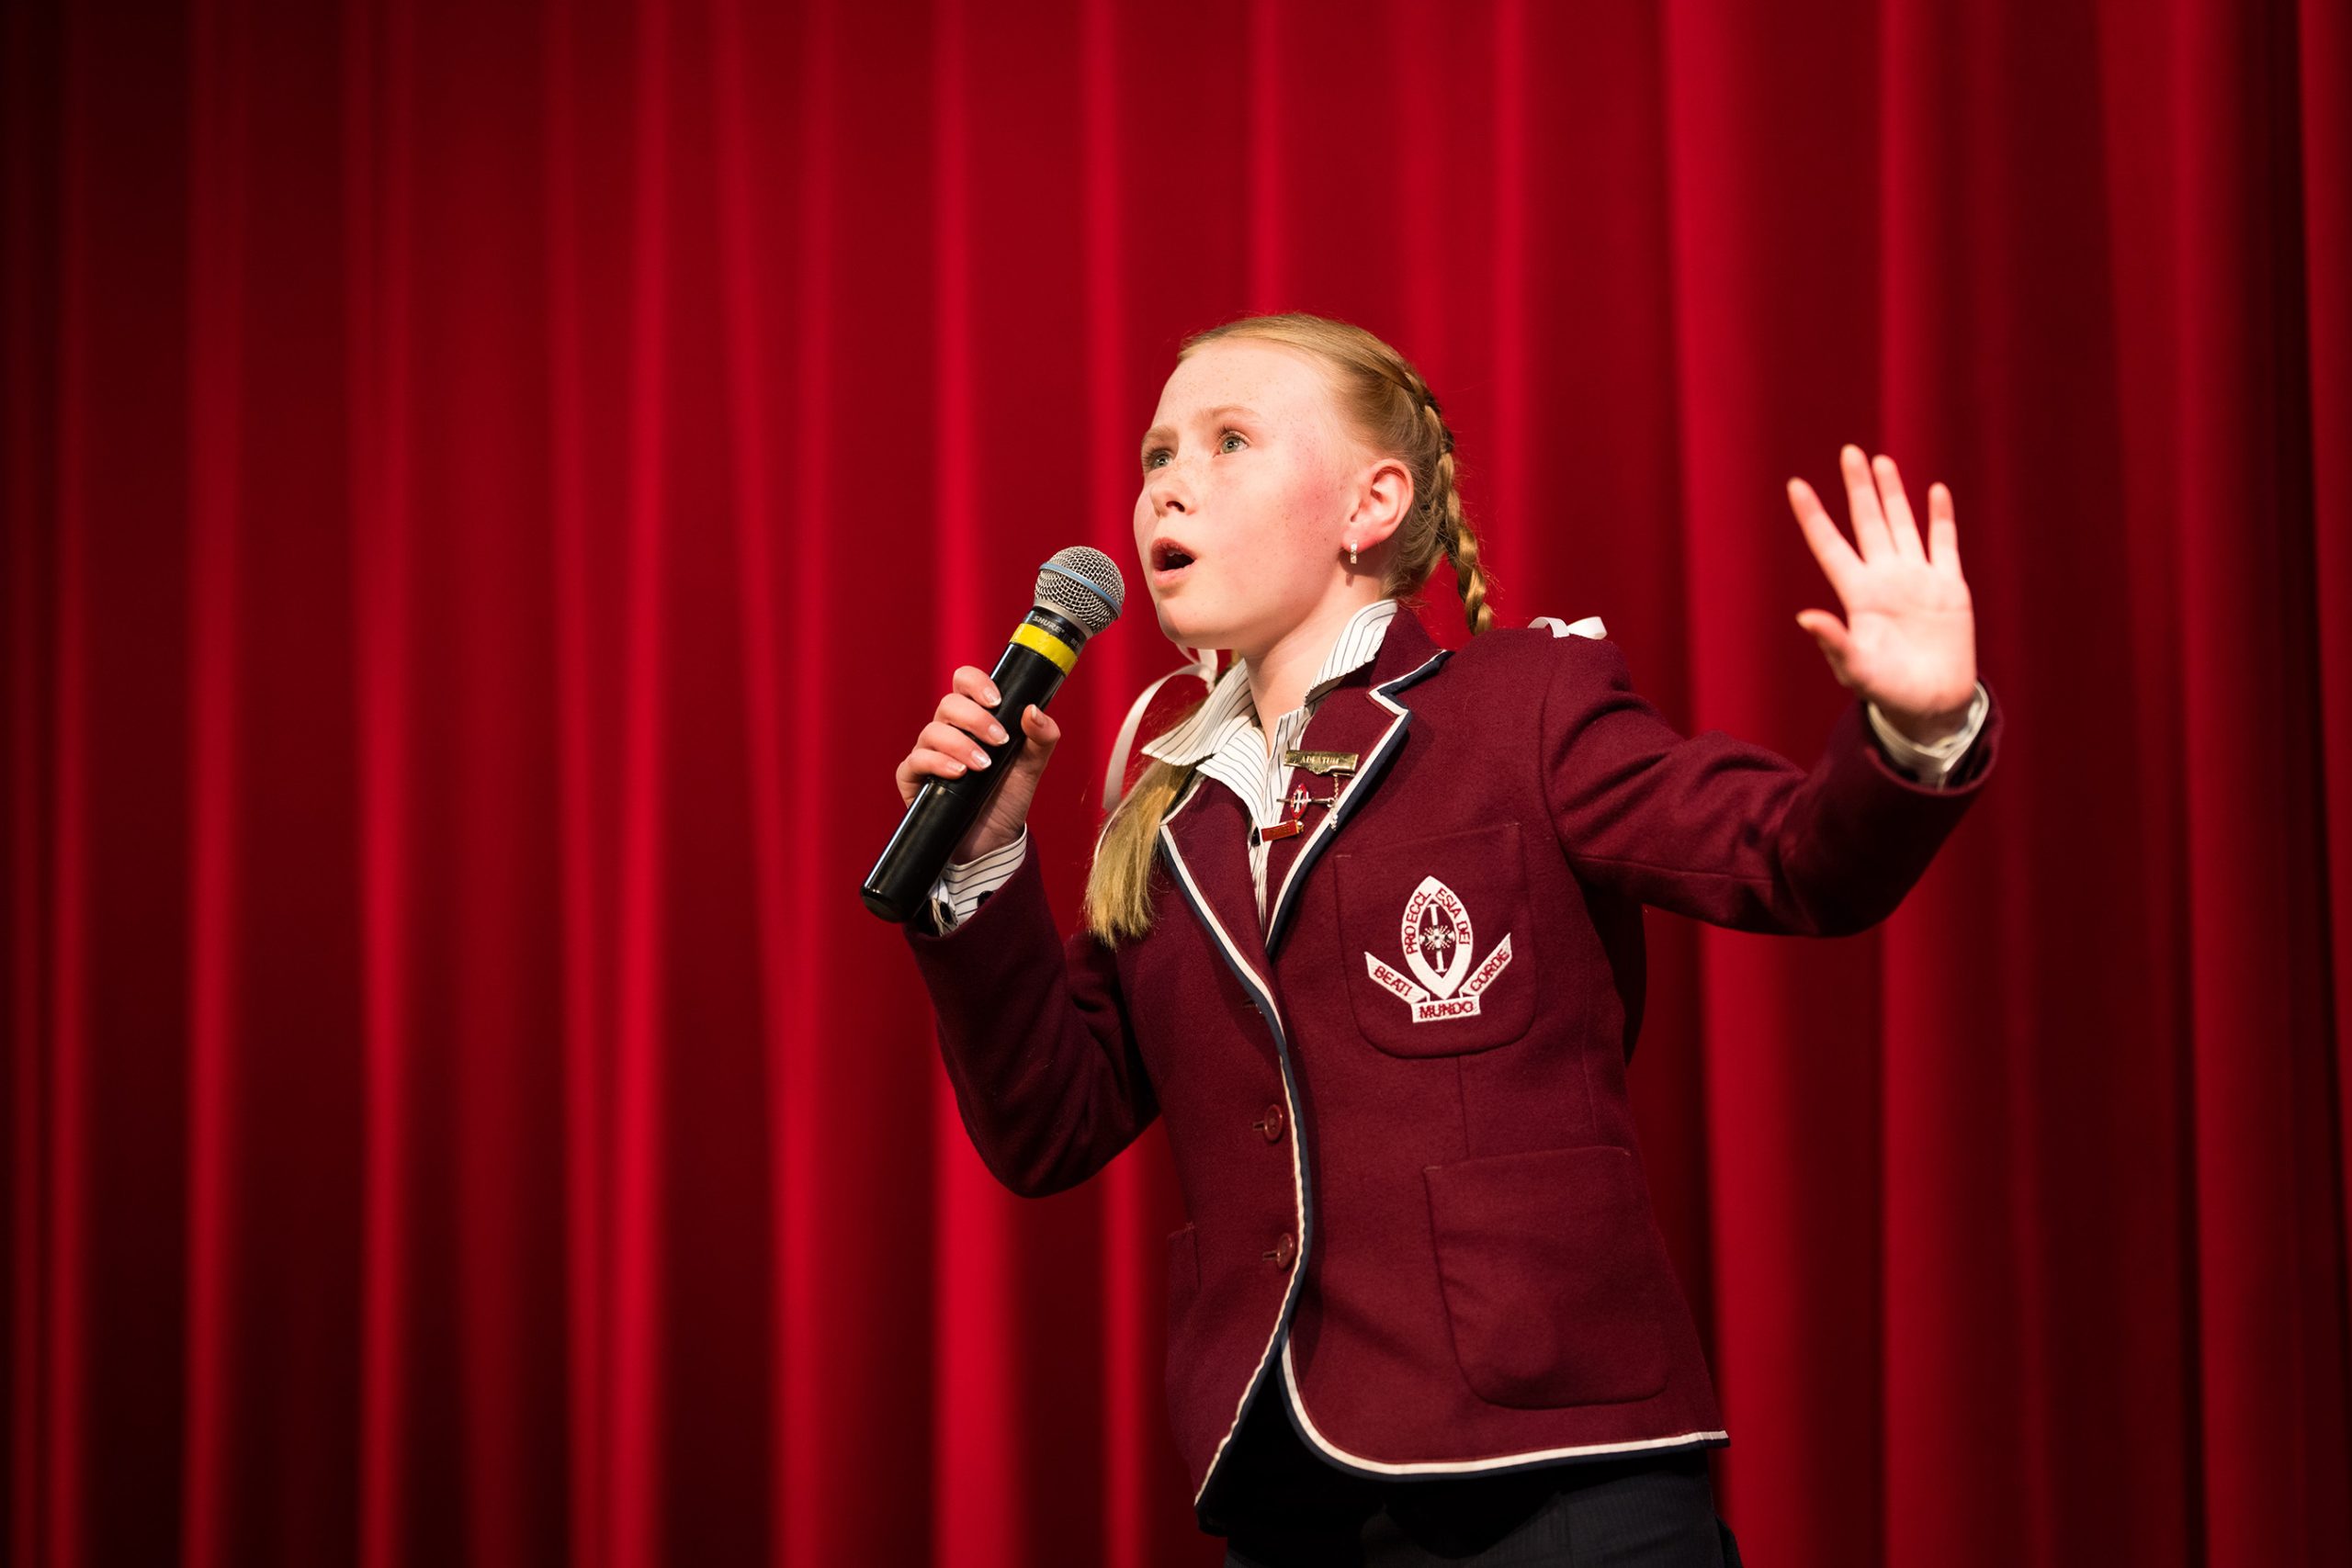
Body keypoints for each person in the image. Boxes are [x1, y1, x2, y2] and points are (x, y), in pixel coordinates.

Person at [890, 312, 2000, 1565]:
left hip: (1549, 1473)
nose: (1169, 483)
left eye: (1228, 440)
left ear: (1372, 503)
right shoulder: (1167, 808)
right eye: (1156, 455)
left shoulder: (1521, 707)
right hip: (1289, 1488)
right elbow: (1050, 1125)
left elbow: (1794, 860)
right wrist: (979, 858)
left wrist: (1918, 728)